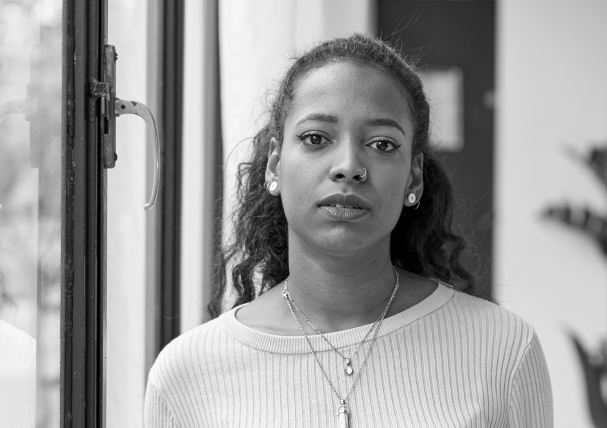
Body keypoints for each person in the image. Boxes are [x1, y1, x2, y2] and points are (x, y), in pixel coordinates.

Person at [144, 34, 553, 428]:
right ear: (274, 166)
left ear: (413, 179)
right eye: (316, 138)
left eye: (382, 144)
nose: (349, 165)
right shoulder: (188, 373)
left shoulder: (503, 350)